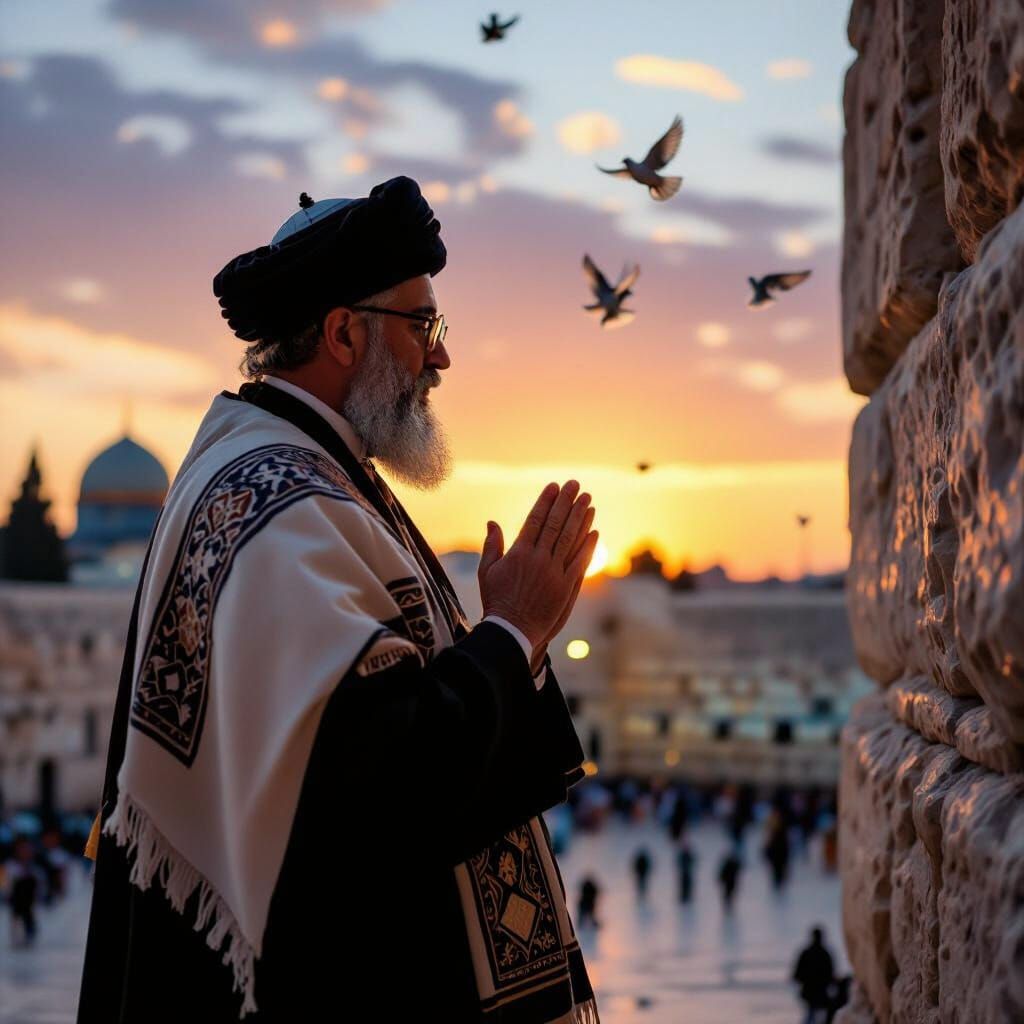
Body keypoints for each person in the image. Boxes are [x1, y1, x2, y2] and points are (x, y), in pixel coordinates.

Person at [77, 177, 602, 1023]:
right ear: (344, 332)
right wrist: (514, 631)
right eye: (424, 324)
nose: (441, 358)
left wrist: (516, 641)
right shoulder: (280, 496)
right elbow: (370, 786)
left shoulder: (296, 472)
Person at [792, 925, 835, 1024]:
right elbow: (831, 975)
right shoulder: (825, 954)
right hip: (820, 992)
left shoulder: (805, 953)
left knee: (810, 1015)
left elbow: (796, 975)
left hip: (808, 992)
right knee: (815, 1015)